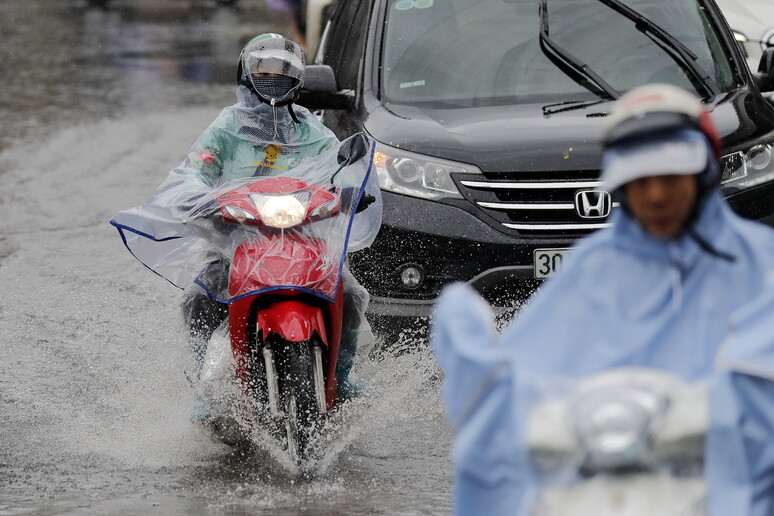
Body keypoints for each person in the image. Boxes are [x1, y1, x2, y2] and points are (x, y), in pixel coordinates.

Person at [432, 84, 774, 515]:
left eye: (670, 176)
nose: (655, 196)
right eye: (639, 179)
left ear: (704, 171)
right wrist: (485, 382)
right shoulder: (592, 268)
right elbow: (525, 383)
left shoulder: (761, 266)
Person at [111, 33, 381, 403]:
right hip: (235, 238)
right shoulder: (226, 128)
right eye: (263, 69)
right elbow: (195, 168)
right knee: (197, 300)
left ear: (298, 78)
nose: (273, 77)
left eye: (283, 70)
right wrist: (196, 197)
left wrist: (351, 187)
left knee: (348, 292)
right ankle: (202, 391)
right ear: (245, 74)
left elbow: (339, 165)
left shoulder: (311, 129)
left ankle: (343, 376)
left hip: (303, 237)